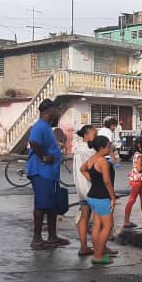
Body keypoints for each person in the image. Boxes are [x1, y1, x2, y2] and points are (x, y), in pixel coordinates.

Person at [26, 99, 70, 250]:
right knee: (41, 205)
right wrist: (44, 156)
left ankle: (52, 236)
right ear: (47, 111)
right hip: (40, 171)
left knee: (51, 205)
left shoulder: (47, 127)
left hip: (50, 173)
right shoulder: (40, 126)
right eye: (54, 109)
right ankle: (37, 239)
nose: (57, 112)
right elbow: (33, 142)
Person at [83, 135, 117, 266]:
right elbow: (107, 181)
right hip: (101, 197)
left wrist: (93, 179)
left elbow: (83, 169)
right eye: (109, 146)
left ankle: (97, 253)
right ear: (103, 148)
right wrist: (113, 197)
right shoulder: (102, 161)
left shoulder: (93, 158)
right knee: (108, 226)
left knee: (97, 225)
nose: (110, 148)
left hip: (92, 196)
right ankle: (98, 256)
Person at [73, 125, 97, 256]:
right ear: (86, 136)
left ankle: (84, 246)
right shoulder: (87, 151)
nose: (96, 137)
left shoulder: (79, 149)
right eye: (94, 134)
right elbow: (88, 170)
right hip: (90, 187)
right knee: (99, 218)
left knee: (84, 216)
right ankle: (100, 246)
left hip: (81, 187)